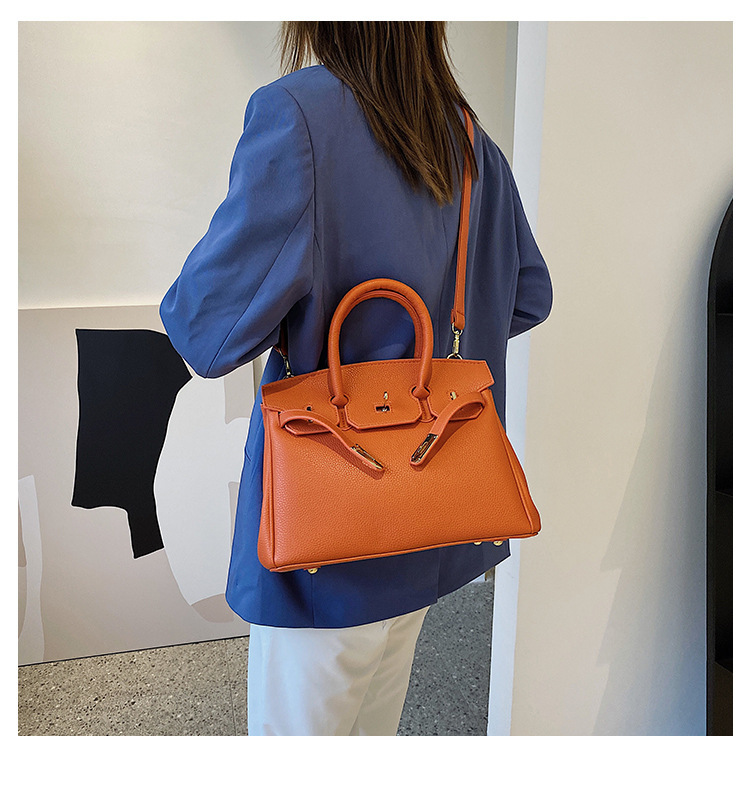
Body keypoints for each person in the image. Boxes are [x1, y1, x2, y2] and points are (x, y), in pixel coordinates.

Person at [160, 21, 553, 736]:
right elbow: (527, 296)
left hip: (326, 525)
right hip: (431, 512)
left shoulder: (298, 116)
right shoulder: (467, 137)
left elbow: (205, 331)